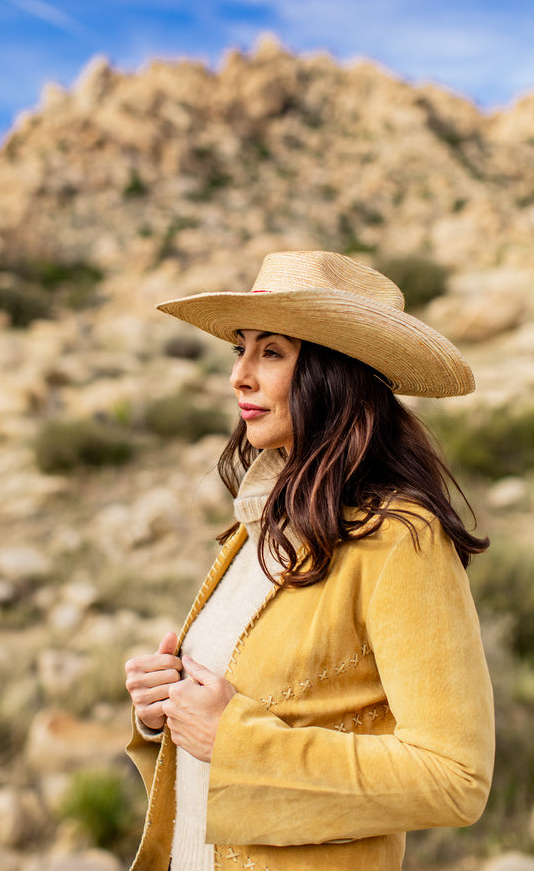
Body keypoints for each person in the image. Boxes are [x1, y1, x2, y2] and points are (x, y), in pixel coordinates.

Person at [124, 250, 494, 871]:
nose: (240, 376)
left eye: (271, 353)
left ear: (335, 373)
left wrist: (236, 743)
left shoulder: (400, 538)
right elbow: (246, 707)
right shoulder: (260, 525)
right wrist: (167, 708)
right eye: (240, 349)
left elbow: (455, 777)